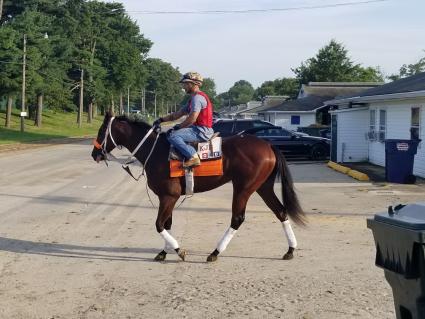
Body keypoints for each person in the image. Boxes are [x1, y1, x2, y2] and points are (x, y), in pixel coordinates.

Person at [153, 72, 214, 168]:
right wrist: (161, 120)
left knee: (172, 136)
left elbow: (192, 118)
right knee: (172, 132)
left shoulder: (197, 98)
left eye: (185, 84)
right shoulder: (192, 99)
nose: (183, 87)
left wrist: (179, 126)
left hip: (201, 131)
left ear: (192, 84)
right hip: (197, 129)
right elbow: (177, 114)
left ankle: (193, 157)